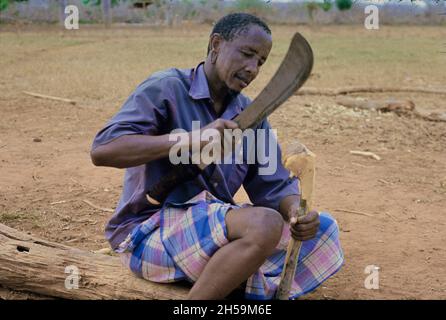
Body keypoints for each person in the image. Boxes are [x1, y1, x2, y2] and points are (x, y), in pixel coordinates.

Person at [90, 13, 343, 300]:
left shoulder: (252, 116)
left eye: (260, 62)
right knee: (265, 225)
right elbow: (104, 149)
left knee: (324, 230)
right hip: (149, 233)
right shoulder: (167, 88)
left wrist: (297, 210)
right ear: (216, 44)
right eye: (247, 54)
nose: (253, 69)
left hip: (211, 233)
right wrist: (190, 139)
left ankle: (230, 276)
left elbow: (273, 187)